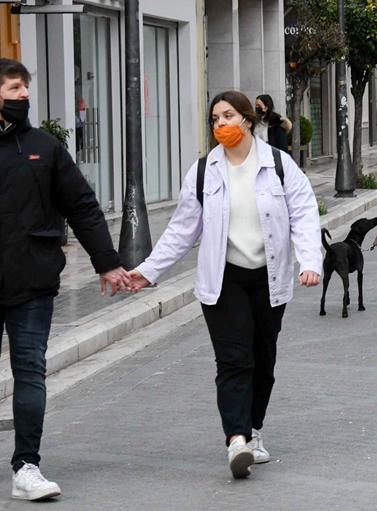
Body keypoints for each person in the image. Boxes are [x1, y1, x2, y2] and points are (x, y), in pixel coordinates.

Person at [0, 58, 130, 500]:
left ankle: (27, 466)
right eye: (15, 88)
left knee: (30, 369)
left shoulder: (44, 147)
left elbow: (83, 206)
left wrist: (106, 261)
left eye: (26, 88)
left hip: (33, 281)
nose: (24, 96)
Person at [127, 91, 322, 479]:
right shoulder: (204, 172)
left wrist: (311, 261)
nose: (221, 125)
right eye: (215, 119)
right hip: (224, 278)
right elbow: (182, 231)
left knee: (263, 360)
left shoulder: (279, 165)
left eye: (228, 116)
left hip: (269, 277)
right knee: (234, 359)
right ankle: (236, 438)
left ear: (247, 120)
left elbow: (304, 213)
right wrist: (148, 271)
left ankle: (254, 429)